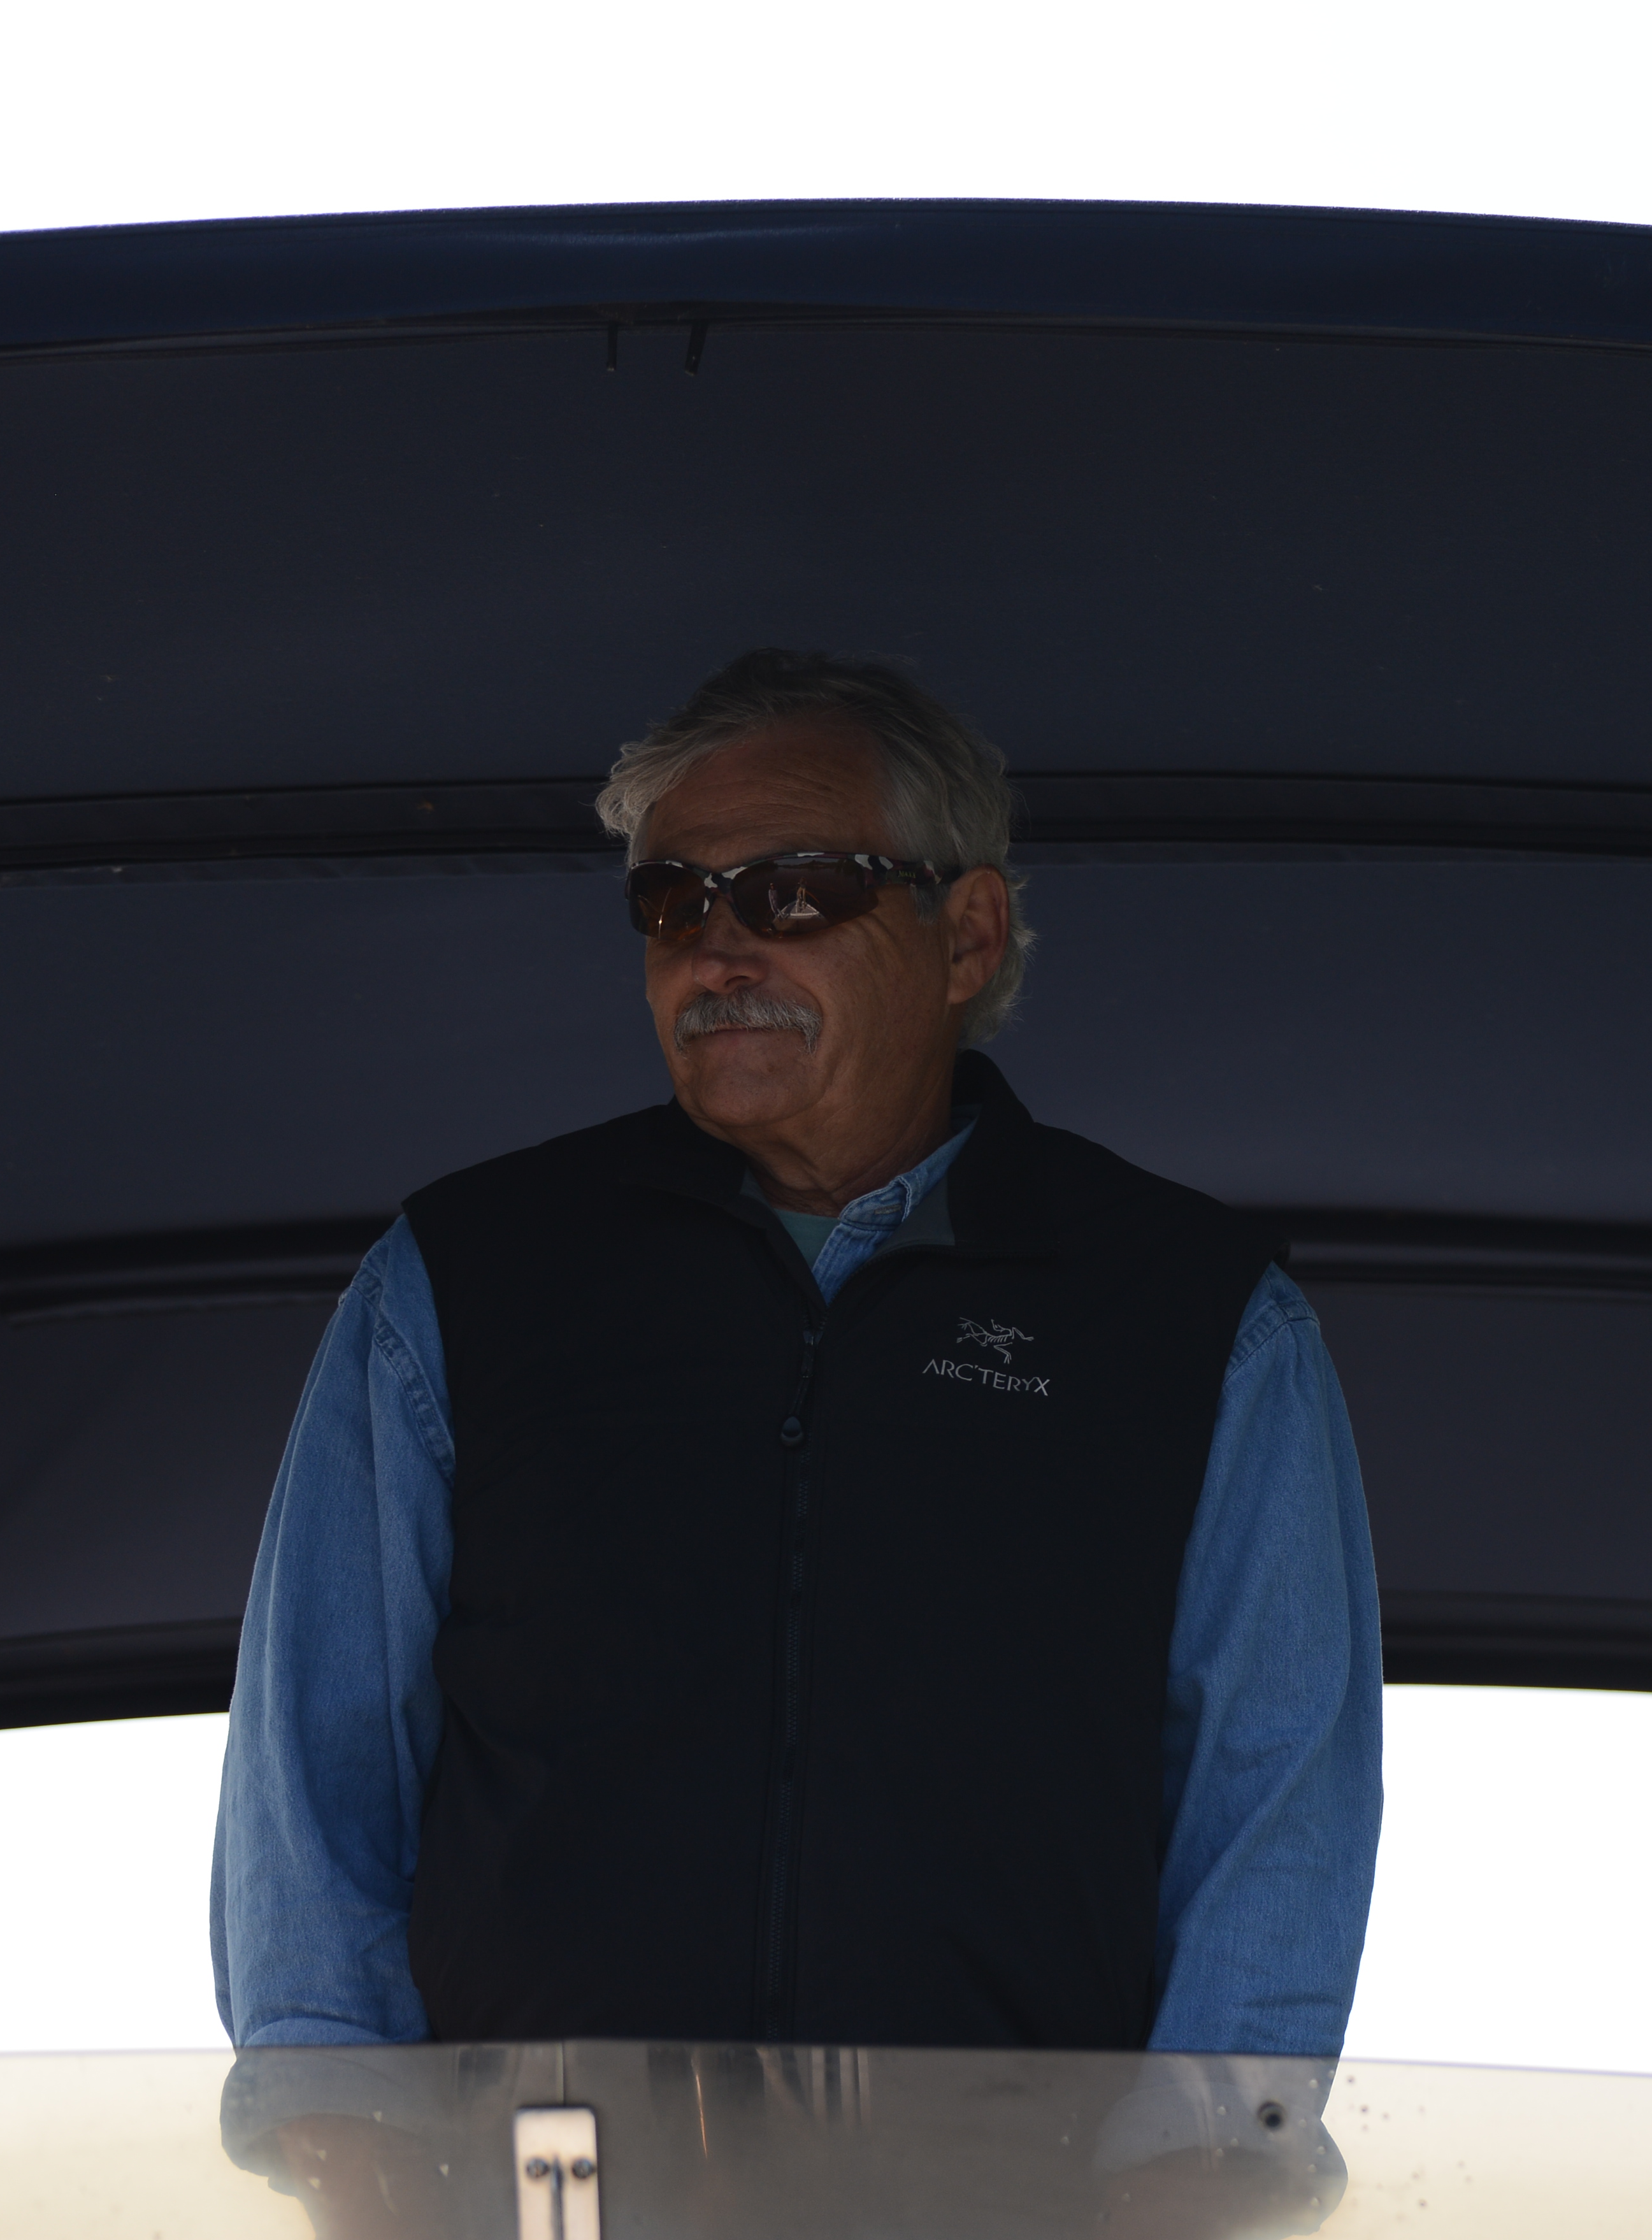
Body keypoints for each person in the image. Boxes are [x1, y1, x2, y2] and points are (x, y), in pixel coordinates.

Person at [210, 649, 1383, 2059]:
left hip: (1013, 2180)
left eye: (795, 892)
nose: (718, 952)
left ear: (967, 936)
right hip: (537, 2174)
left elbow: (1274, 1828)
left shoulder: (1199, 1318)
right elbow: (312, 1796)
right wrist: (348, 2145)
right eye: (672, 901)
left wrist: (1206, 2165)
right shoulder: (460, 1277)